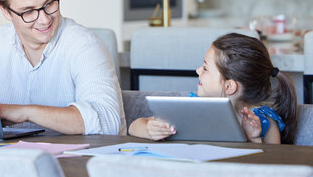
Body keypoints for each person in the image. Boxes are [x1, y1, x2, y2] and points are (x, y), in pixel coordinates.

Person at [0, 0, 125, 135]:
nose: (44, 19)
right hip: (13, 157)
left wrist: (24, 112)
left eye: (50, 3)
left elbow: (108, 121)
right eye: (29, 11)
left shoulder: (85, 45)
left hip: (77, 159)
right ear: (6, 12)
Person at [128, 33, 298, 144]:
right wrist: (148, 130)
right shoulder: (190, 107)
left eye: (206, 68)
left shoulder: (265, 121)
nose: (197, 71)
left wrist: (253, 139)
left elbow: (274, 169)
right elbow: (133, 126)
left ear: (229, 86)